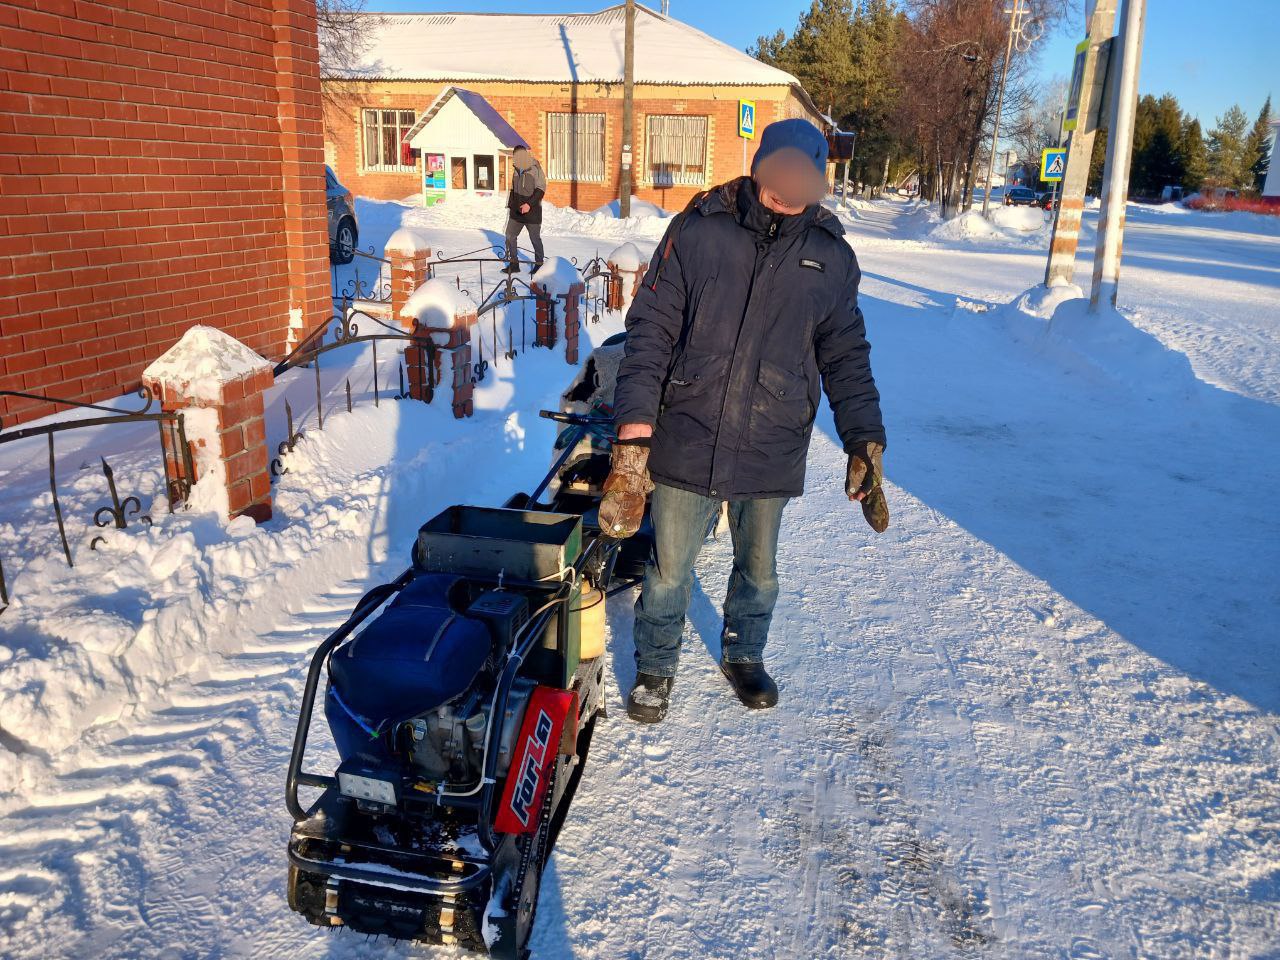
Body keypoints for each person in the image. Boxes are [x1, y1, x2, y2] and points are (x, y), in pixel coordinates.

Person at [597, 118, 889, 724]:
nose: (788, 188)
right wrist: (632, 439)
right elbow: (650, 331)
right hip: (690, 428)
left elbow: (845, 354)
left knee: (759, 569)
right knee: (670, 566)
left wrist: (864, 438)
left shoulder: (832, 258)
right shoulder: (699, 230)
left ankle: (744, 654)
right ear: (759, 164)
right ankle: (655, 665)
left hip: (773, 438)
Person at [504, 145, 546, 275]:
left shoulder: (535, 168)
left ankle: (539, 265)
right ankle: (514, 263)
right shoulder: (516, 170)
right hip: (517, 212)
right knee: (510, 235)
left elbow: (541, 189)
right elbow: (513, 190)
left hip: (532, 212)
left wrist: (529, 204)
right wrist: (511, 205)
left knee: (535, 238)